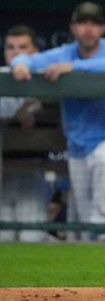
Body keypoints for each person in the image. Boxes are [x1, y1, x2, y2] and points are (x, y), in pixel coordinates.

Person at [10, 2, 105, 241]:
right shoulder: (64, 53)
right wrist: (20, 65)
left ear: (103, 29)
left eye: (94, 24)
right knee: (81, 215)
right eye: (82, 23)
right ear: (73, 28)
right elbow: (27, 60)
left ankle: (102, 226)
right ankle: (94, 248)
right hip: (79, 146)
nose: (88, 29)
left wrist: (75, 67)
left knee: (103, 158)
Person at [0, 24, 49, 242]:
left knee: (32, 236)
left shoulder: (47, 78)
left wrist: (34, 107)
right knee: (4, 236)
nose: (16, 53)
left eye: (22, 47)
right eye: (10, 47)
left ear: (34, 52)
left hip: (35, 169)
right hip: (3, 169)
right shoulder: (1, 75)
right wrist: (22, 111)